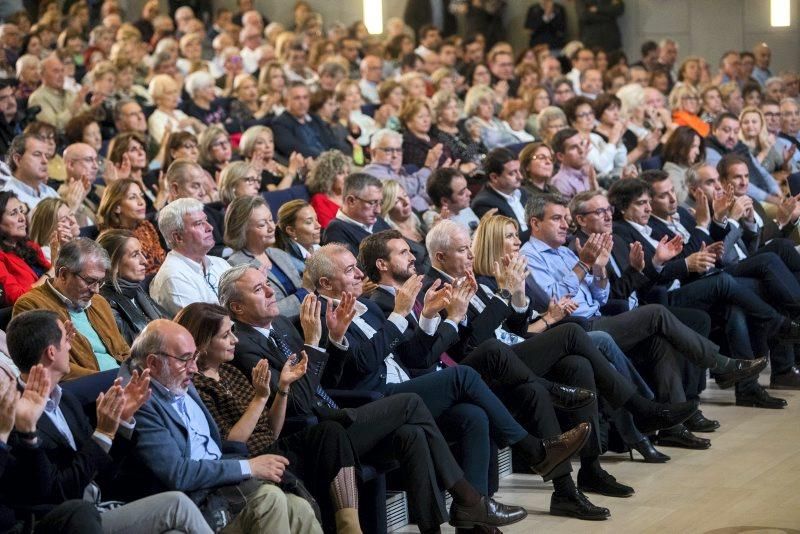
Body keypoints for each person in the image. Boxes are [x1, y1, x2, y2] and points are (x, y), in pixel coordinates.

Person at [218, 264, 531, 531]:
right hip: (312, 436)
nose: (271, 292)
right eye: (259, 290)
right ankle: (471, 497)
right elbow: (298, 403)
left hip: (335, 413)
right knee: (413, 402)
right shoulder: (243, 346)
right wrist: (314, 344)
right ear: (237, 308)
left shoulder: (282, 325)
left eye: (267, 285)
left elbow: (327, 381)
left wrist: (335, 340)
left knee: (413, 433)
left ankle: (434, 527)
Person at [4, 310, 213, 534]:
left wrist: (121, 423)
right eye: (67, 339)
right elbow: (56, 492)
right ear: (52, 352)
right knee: (177, 505)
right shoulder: (14, 415)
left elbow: (104, 472)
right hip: (68, 522)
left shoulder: (67, 400)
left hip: (104, 503)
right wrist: (102, 434)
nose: (70, 347)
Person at [119, 319, 324, 534]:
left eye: (195, 357)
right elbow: (177, 474)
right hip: (196, 499)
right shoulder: (138, 401)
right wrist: (249, 467)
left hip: (222, 479)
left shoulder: (174, 377)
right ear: (152, 363)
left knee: (298, 507)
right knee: (269, 499)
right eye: (185, 359)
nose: (194, 368)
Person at [175, 302, 364, 533]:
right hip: (246, 461)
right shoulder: (196, 387)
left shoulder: (229, 371)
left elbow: (271, 431)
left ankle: (350, 526)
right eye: (226, 335)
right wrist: (260, 398)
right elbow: (232, 444)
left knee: (330, 432)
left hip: (271, 447)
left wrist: (283, 388)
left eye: (233, 331)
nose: (235, 340)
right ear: (203, 344)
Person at [13, 238, 130, 379]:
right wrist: (106, 380)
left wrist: (136, 372)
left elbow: (122, 349)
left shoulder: (99, 302)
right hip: (86, 391)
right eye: (90, 281)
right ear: (63, 274)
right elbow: (47, 366)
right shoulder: (30, 305)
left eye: (100, 282)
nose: (96, 290)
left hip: (121, 381)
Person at [225, 196, 305, 321]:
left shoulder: (279, 253)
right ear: (242, 231)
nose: (272, 227)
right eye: (262, 225)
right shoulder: (237, 265)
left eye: (271, 220)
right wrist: (304, 294)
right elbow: (262, 312)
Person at [150, 198, 231, 316]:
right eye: (199, 223)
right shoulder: (173, 278)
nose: (210, 227)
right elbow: (205, 327)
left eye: (206, 220)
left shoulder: (219, 263)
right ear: (178, 237)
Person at [97, 229, 169, 344]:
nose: (144, 261)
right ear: (112, 263)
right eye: (135, 255)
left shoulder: (137, 290)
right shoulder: (106, 303)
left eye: (141, 253)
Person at [97, 179, 166, 276]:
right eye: (132, 197)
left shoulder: (146, 226)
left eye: (141, 196)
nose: (141, 202)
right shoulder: (112, 240)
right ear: (117, 207)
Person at [362, 129, 439, 212]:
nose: (395, 155)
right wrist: (427, 168)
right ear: (373, 152)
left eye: (398, 150)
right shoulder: (370, 173)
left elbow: (426, 194)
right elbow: (403, 189)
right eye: (388, 150)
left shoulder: (404, 172)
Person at [0, 191, 53, 304]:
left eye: (21, 211)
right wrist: (50, 274)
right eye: (13, 213)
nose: (22, 218)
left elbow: (54, 273)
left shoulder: (31, 246)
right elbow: (18, 298)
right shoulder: (1, 258)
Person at [322, 173, 393, 257]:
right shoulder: (335, 231)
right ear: (351, 201)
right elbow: (354, 268)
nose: (378, 210)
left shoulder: (377, 220)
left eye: (380, 202)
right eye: (372, 203)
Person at [471, 147, 531, 242]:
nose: (520, 176)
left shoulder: (522, 192)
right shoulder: (483, 204)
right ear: (494, 177)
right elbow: (507, 240)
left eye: (519, 170)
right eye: (512, 173)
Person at [271, 82, 339, 159]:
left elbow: (331, 141)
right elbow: (295, 149)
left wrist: (338, 156)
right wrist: (325, 158)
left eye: (305, 97)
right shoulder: (279, 123)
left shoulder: (314, 118)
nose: (302, 102)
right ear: (287, 101)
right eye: (297, 98)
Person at [3, 133, 60, 211]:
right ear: (18, 160)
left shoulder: (49, 191)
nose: (45, 161)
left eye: (46, 156)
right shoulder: (7, 198)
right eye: (37, 154)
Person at [422, 167, 481, 233]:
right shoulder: (434, 220)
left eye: (466, 188)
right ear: (445, 201)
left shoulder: (463, 207)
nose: (469, 193)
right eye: (462, 193)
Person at [550, 128, 599, 200]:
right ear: (560, 156)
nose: (581, 150)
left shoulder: (587, 171)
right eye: (573, 147)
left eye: (581, 143)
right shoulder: (560, 182)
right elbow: (568, 211)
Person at [661, 126, 705, 204]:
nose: (697, 152)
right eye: (693, 146)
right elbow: (681, 201)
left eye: (698, 147)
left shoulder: (693, 167)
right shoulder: (671, 171)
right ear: (681, 147)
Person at [274, 199, 321, 273]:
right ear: (291, 231)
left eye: (316, 219)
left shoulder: (315, 247)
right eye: (309, 222)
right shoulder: (291, 264)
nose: (318, 226)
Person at [306, 150, 349, 229]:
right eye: (340, 173)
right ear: (328, 176)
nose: (346, 177)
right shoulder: (319, 200)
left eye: (347, 172)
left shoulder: (350, 195)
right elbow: (330, 230)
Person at [28, 196, 79, 262]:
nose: (73, 221)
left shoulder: (79, 240)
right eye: (64, 220)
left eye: (71, 214)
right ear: (50, 231)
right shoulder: (46, 252)